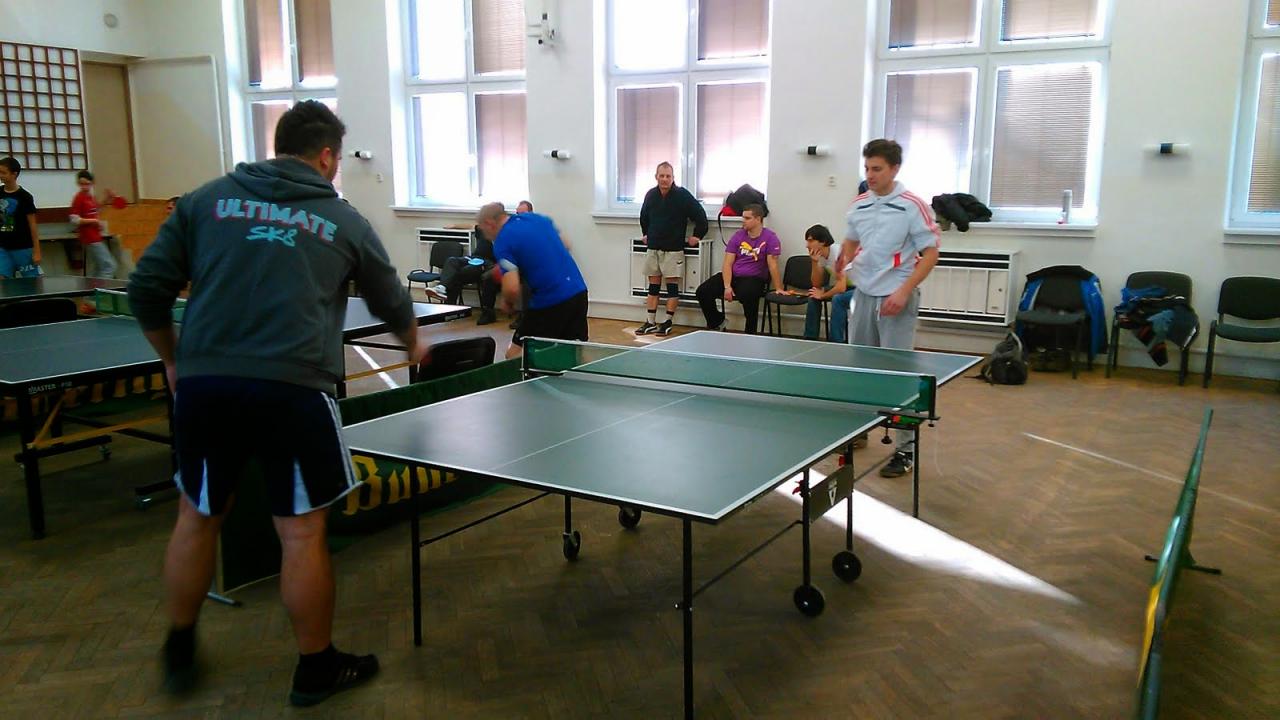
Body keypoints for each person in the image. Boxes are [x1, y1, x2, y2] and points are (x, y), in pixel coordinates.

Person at [127, 100, 422, 707]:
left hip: (207, 385)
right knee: (301, 532)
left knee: (197, 516)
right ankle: (315, 670)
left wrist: (174, 359)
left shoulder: (205, 200)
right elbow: (390, 296)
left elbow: (146, 288)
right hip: (293, 387)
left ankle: (179, 647)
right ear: (327, 156)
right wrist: (412, 340)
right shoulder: (342, 218)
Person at [844, 139, 940, 477]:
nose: (870, 175)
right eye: (867, 168)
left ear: (894, 169)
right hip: (864, 295)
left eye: (877, 169)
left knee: (899, 377)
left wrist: (904, 290)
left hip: (897, 297)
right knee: (859, 370)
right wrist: (845, 260)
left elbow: (931, 253)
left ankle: (905, 449)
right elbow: (851, 239)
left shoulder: (913, 206)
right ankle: (857, 432)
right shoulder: (859, 204)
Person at [476, 201, 587, 359]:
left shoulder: (503, 241)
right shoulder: (536, 219)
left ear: (489, 223)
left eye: (483, 230)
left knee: (515, 354)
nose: (485, 236)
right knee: (574, 354)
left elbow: (512, 288)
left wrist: (507, 302)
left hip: (549, 300)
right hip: (578, 292)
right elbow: (566, 244)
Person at [637, 162, 707, 336]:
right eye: (661, 176)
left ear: (673, 177)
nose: (664, 179)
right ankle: (650, 321)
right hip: (653, 247)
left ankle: (668, 322)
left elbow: (700, 216)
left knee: (672, 287)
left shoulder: (682, 195)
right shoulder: (651, 195)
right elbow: (644, 217)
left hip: (673, 248)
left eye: (668, 176)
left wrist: (697, 235)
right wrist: (645, 234)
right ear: (656, 177)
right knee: (653, 286)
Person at [695, 204, 781, 334]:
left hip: (754, 278)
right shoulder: (738, 236)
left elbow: (773, 265)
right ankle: (717, 322)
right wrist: (727, 286)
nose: (743, 221)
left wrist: (779, 288)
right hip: (734, 276)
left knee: (748, 294)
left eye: (747, 218)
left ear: (758, 219)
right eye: (743, 217)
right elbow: (727, 263)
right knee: (702, 291)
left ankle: (750, 333)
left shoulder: (770, 237)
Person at [424, 223, 501, 324]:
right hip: (474, 258)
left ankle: (450, 308)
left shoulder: (505, 232)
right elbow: (470, 226)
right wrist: (454, 226)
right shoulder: (483, 228)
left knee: (459, 274)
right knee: (451, 261)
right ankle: (442, 288)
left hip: (488, 263)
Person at [69, 169, 118, 278]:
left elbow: (96, 209)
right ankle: (102, 288)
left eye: (87, 184)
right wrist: (94, 221)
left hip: (95, 235)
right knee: (109, 266)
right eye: (82, 184)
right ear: (78, 184)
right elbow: (74, 219)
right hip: (89, 237)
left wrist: (108, 198)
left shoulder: (90, 197)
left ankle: (93, 288)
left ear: (91, 183)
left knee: (98, 267)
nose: (84, 187)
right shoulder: (78, 198)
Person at [800, 224, 844, 340]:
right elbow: (816, 284)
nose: (807, 245)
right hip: (846, 286)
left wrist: (823, 295)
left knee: (838, 299)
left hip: (860, 289)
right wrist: (814, 262)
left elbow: (841, 287)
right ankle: (810, 338)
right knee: (813, 295)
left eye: (810, 241)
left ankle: (836, 341)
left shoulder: (839, 253)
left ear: (823, 242)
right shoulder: (822, 256)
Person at [0, 157, 41, 278]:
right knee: (2, 279)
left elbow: (32, 225)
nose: (1, 175)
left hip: (23, 246)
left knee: (30, 281)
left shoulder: (25, 197)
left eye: (3, 173)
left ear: (14, 174)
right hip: (3, 246)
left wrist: (37, 251)